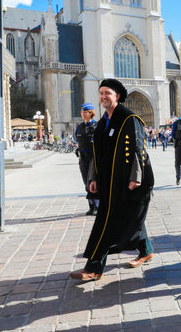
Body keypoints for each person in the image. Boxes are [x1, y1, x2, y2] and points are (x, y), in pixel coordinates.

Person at [69, 79, 154, 281]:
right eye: (101, 93)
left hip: (129, 182)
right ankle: (146, 250)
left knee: (106, 222)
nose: (103, 96)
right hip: (109, 182)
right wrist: (93, 178)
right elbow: (97, 155)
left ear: (117, 96)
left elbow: (138, 149)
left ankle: (94, 267)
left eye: (107, 92)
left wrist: (135, 178)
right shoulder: (103, 123)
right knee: (130, 218)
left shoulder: (128, 118)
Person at [74, 103, 100, 215]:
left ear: (91, 113)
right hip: (83, 156)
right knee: (86, 181)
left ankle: (98, 205)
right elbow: (77, 140)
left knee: (92, 181)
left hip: (93, 157)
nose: (83, 114)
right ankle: (91, 205)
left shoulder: (97, 126)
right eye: (82, 112)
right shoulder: (79, 127)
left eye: (85, 112)